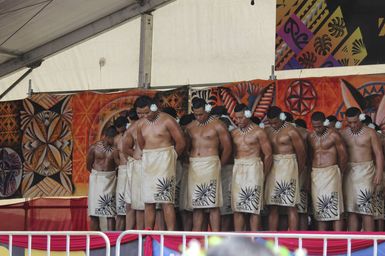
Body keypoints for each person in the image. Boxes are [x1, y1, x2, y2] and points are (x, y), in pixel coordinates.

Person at [136, 96, 186, 230]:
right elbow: (142, 145)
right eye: (141, 113)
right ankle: (149, 233)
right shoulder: (141, 124)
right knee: (148, 201)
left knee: (166, 200)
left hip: (165, 159)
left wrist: (172, 156)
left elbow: (181, 142)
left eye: (147, 112)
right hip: (149, 161)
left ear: (154, 107)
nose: (145, 115)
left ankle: (170, 233)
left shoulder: (168, 120)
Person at [186, 98, 232, 231]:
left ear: (207, 110)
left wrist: (219, 165)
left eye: (201, 114)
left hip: (211, 163)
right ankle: (197, 234)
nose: (199, 117)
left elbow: (227, 147)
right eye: (196, 114)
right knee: (197, 203)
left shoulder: (218, 125)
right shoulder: (190, 126)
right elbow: (185, 145)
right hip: (195, 165)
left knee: (213, 203)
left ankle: (216, 234)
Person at [341, 107, 384, 231]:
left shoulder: (370, 132)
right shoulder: (344, 134)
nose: (353, 125)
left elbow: (378, 153)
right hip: (350, 172)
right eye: (350, 122)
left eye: (355, 122)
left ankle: (369, 244)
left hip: (366, 171)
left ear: (360, 118)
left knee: (366, 209)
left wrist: (379, 172)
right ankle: (354, 244)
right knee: (352, 209)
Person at [231, 104, 272, 231]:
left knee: (254, 207)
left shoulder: (259, 132)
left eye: (242, 117)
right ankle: (239, 239)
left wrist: (263, 174)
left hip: (254, 167)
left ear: (248, 115)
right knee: (238, 207)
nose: (239, 121)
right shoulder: (234, 133)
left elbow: (268, 154)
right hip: (238, 167)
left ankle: (254, 238)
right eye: (237, 118)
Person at [264, 106, 306, 231]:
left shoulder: (291, 130)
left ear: (282, 117)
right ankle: (272, 236)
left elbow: (302, 153)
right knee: (273, 204)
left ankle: (292, 235)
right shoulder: (267, 131)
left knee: (290, 204)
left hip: (289, 165)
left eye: (276, 122)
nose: (273, 125)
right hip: (273, 166)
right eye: (271, 123)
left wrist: (297, 171)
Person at [308, 112, 348, 231]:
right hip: (316, 174)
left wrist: (338, 171)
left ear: (325, 123)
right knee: (320, 209)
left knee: (335, 208)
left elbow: (343, 155)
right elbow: (310, 156)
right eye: (314, 126)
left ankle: (338, 240)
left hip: (331, 172)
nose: (317, 129)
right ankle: (322, 240)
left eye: (319, 126)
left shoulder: (334, 135)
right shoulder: (310, 137)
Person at [86, 126, 118, 231]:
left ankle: (111, 239)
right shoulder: (94, 148)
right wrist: (98, 174)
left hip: (110, 179)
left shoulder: (115, 150)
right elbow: (88, 165)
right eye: (110, 138)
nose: (112, 140)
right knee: (94, 212)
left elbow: (119, 165)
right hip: (96, 179)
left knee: (110, 212)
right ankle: (94, 239)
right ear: (105, 136)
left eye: (114, 138)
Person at [123, 107, 144, 230]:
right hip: (136, 166)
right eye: (141, 113)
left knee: (139, 203)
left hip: (144, 166)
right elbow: (124, 147)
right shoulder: (133, 128)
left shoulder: (146, 125)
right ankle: (134, 234)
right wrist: (134, 156)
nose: (143, 115)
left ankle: (139, 233)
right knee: (136, 203)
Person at [113, 116, 135, 230]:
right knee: (121, 205)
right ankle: (118, 235)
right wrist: (120, 166)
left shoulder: (132, 135)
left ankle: (131, 231)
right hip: (122, 170)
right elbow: (115, 156)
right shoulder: (116, 139)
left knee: (133, 201)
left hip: (133, 168)